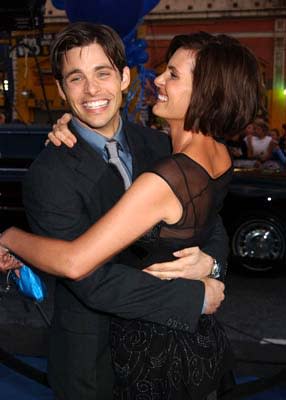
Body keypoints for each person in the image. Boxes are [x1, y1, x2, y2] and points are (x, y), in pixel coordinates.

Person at [0, 30, 262, 399]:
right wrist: (194, 299)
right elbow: (90, 279)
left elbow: (210, 225)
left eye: (102, 73)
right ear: (62, 91)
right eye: (76, 78)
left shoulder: (161, 148)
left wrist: (211, 264)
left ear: (124, 78)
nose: (92, 90)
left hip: (168, 352)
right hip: (94, 361)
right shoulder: (49, 172)